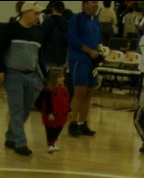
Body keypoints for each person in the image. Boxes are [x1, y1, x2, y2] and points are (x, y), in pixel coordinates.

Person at [0, 1, 44, 156]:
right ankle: (20, 143)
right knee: (16, 109)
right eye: (36, 13)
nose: (38, 16)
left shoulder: (37, 32)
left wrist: (45, 78)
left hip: (31, 76)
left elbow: (38, 58)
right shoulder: (10, 29)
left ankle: (10, 136)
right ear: (26, 12)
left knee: (26, 110)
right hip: (13, 75)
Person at [67, 0, 101, 137]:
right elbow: (73, 39)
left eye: (97, 2)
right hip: (79, 60)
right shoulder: (77, 19)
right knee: (79, 91)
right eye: (93, 2)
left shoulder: (96, 21)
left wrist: (99, 51)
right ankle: (72, 123)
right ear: (85, 4)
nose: (96, 5)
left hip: (92, 62)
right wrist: (88, 51)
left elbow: (97, 41)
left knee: (88, 92)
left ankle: (82, 123)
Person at [35, 66, 69, 153]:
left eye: (63, 76)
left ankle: (53, 142)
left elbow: (65, 101)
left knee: (59, 128)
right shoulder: (48, 90)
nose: (63, 78)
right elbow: (47, 102)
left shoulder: (64, 89)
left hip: (62, 115)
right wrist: (49, 113)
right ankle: (50, 144)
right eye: (60, 77)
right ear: (54, 78)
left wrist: (69, 110)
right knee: (50, 129)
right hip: (51, 114)